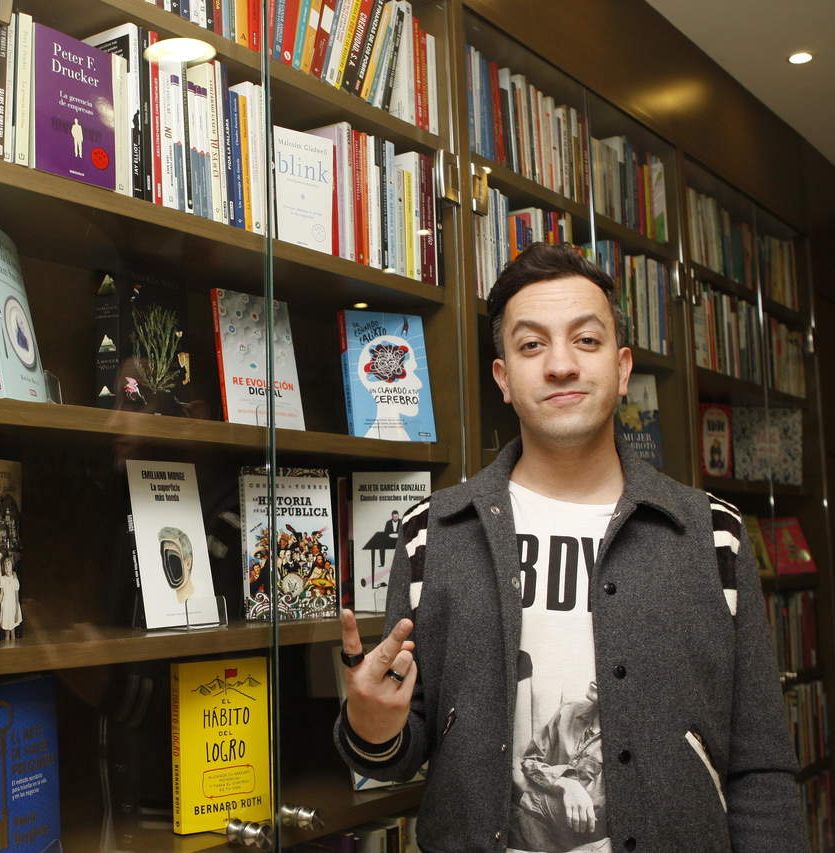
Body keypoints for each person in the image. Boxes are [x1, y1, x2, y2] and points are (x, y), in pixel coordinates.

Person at [335, 242, 806, 853]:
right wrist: (371, 726)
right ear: (503, 378)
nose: (561, 365)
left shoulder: (713, 534)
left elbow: (761, 766)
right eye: (532, 345)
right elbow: (406, 746)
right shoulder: (434, 533)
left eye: (586, 340)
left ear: (622, 368)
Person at [0, 554, 22, 641]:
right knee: (6, 633)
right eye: (5, 566)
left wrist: (16, 612)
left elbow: (16, 597)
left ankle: (13, 647)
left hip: (12, 608)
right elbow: (1, 594)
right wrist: (0, 607)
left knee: (12, 632)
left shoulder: (15, 579)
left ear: (12, 566)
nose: (7, 568)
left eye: (9, 565)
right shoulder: (2, 579)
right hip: (5, 608)